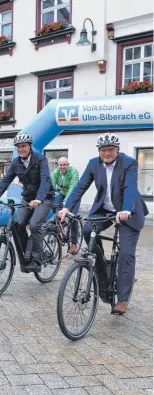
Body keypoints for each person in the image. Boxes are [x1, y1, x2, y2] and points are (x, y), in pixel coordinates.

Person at [58, 133, 149, 315]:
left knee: (125, 254)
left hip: (128, 213)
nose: (106, 153)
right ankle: (101, 269)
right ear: (99, 151)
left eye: (110, 149)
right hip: (104, 210)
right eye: (103, 150)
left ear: (118, 150)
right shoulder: (94, 163)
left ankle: (122, 299)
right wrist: (67, 207)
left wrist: (126, 209)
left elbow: (130, 187)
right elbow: (81, 186)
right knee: (86, 230)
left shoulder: (129, 163)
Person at [0, 132, 53, 273]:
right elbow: (6, 179)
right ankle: (27, 254)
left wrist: (39, 198)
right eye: (19, 147)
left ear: (30, 146)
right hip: (28, 198)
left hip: (44, 198)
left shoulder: (40, 160)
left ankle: (37, 260)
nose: (21, 149)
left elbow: (46, 180)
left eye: (24, 146)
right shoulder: (16, 162)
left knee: (35, 224)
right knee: (19, 224)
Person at [51, 156, 80, 254]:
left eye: (64, 165)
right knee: (53, 205)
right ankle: (62, 223)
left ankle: (74, 243)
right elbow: (51, 186)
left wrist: (66, 203)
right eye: (60, 165)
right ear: (58, 165)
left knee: (73, 217)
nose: (62, 167)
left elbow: (72, 187)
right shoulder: (55, 173)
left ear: (68, 165)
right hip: (63, 192)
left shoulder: (73, 172)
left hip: (74, 194)